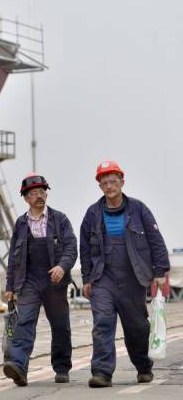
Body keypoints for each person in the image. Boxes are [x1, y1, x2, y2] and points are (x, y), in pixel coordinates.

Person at [80, 160, 170, 388]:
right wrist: (87, 279)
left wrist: (160, 271)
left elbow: (155, 241)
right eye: (104, 182)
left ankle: (143, 367)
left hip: (133, 278)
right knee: (102, 322)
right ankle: (101, 372)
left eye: (113, 181)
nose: (109, 186)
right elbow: (85, 248)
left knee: (137, 327)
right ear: (99, 185)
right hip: (103, 278)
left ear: (122, 182)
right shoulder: (92, 213)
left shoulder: (139, 209)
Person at [3, 173, 77, 386]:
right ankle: (18, 367)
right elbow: (13, 258)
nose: (39, 196)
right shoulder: (20, 224)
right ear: (26, 198)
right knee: (24, 323)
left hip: (55, 282)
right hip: (28, 282)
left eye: (42, 192)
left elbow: (71, 247)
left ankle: (62, 368)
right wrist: (10, 285)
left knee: (60, 325)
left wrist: (62, 267)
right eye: (34, 193)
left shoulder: (60, 219)